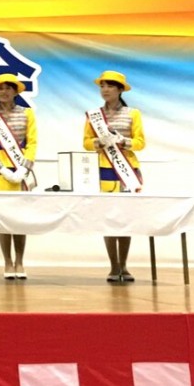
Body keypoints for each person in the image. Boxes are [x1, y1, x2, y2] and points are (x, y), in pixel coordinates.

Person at [83, 70, 145, 284]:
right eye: (102, 86)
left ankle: (124, 265)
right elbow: (86, 142)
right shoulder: (94, 115)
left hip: (129, 169)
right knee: (108, 218)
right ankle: (114, 266)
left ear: (120, 90)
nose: (105, 90)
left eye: (110, 86)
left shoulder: (133, 113)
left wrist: (123, 141)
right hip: (105, 169)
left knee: (125, 218)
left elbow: (141, 142)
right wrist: (98, 142)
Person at [0, 73, 37, 280]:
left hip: (20, 171)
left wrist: (24, 168)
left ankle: (20, 261)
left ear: (15, 91)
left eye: (8, 88)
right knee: (2, 219)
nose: (4, 92)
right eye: (0, 88)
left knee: (19, 220)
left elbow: (32, 143)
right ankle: (7, 261)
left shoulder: (27, 113)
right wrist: (1, 168)